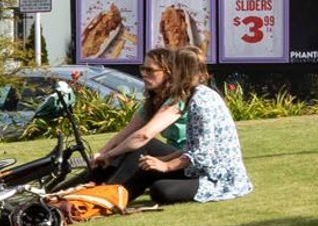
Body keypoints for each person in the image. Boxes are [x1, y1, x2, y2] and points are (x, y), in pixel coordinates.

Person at [86, 45, 252, 205]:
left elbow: (202, 154)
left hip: (215, 175)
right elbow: (191, 146)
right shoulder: (193, 96)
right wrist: (107, 154)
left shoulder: (199, 100)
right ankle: (102, 196)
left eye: (150, 70)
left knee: (161, 189)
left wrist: (166, 166)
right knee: (146, 166)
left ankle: (104, 198)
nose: (144, 74)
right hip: (192, 163)